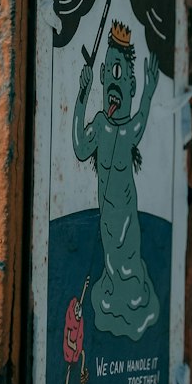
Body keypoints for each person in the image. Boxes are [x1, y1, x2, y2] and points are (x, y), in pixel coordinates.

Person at [73, 19, 160, 341]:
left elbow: (143, 116)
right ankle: (115, 309)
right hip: (107, 216)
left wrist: (150, 92)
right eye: (109, 70)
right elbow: (81, 149)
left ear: (131, 87)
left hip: (128, 212)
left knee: (130, 262)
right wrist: (81, 98)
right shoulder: (100, 125)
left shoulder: (127, 131)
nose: (114, 79)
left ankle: (135, 304)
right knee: (112, 263)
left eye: (120, 73)